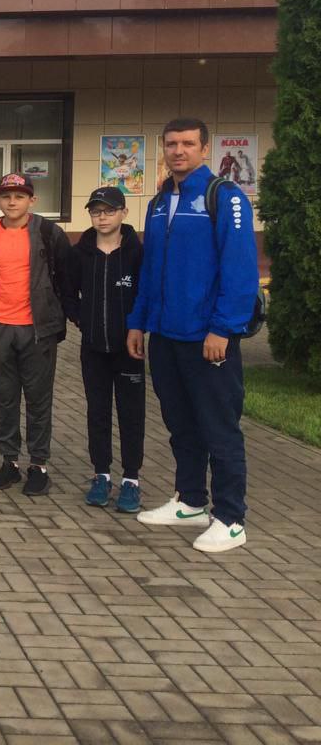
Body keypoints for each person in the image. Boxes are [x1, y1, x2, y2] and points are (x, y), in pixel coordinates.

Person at [128, 118, 259, 552]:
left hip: (208, 338)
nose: (178, 151)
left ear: (205, 149)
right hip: (166, 336)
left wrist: (222, 328)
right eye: (171, 144)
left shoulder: (225, 197)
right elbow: (150, 271)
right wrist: (138, 321)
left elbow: (240, 270)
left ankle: (231, 518)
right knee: (181, 425)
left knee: (219, 429)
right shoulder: (159, 202)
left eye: (187, 143)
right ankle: (190, 501)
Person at [0, 172, 70, 497]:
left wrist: (55, 318)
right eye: (6, 196)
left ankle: (38, 465)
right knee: (5, 398)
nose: (12, 202)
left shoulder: (48, 232)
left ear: (32, 199)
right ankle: (10, 461)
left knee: (38, 399)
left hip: (37, 330)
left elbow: (66, 277)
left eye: (19, 196)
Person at [63, 186, 146, 513]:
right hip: (93, 349)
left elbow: (146, 295)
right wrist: (81, 319)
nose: (102, 217)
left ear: (124, 212)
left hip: (129, 349)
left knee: (131, 414)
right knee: (97, 412)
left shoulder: (137, 253)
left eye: (109, 211)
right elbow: (67, 292)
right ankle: (101, 475)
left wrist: (138, 326)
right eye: (96, 212)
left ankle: (131, 480)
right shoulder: (79, 253)